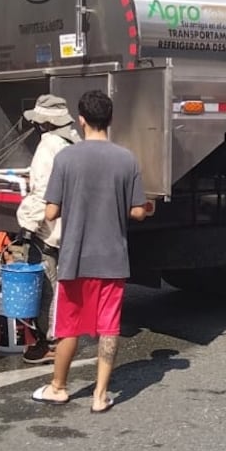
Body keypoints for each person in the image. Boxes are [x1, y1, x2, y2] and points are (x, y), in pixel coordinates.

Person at [30, 90, 147, 413]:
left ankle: (58, 387)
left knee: (69, 326)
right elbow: (138, 212)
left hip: (74, 259)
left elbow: (51, 212)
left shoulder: (65, 158)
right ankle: (100, 396)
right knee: (109, 326)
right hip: (112, 258)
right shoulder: (127, 159)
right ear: (110, 120)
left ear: (81, 120)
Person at [13, 95, 79, 365]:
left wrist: (26, 226)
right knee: (65, 286)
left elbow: (42, 192)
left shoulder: (48, 145)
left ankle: (50, 341)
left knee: (49, 287)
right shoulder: (76, 142)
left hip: (50, 230)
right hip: (74, 228)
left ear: (45, 123)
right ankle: (62, 335)